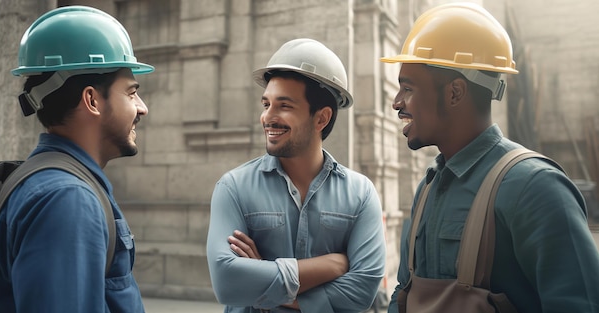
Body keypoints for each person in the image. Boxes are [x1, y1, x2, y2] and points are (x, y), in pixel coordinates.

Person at [381, 2, 599, 313]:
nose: (396, 102)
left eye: (408, 88)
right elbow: (404, 295)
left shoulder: (536, 189)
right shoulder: (428, 188)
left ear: (455, 93)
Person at [0, 6, 153, 312]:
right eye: (131, 93)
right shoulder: (67, 199)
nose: (142, 108)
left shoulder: (61, 185)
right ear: (91, 100)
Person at [206, 38, 386, 313]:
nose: (268, 116)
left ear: (321, 119)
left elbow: (362, 290)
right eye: (266, 104)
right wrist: (331, 266)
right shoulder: (233, 187)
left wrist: (263, 282)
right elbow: (227, 281)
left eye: (284, 106)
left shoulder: (360, 194)